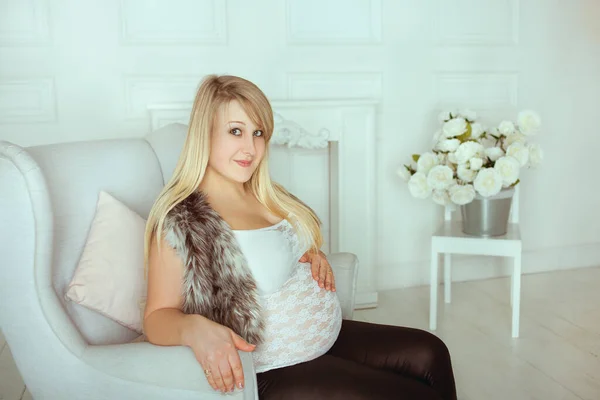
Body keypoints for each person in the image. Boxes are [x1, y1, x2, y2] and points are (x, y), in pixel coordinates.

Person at [142, 74, 457, 400]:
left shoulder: (266, 195)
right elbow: (156, 317)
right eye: (235, 131)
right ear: (204, 135)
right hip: (271, 369)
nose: (250, 148)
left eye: (258, 133)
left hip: (324, 340)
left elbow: (280, 252)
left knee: (432, 352)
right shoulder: (182, 220)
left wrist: (312, 257)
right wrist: (195, 329)